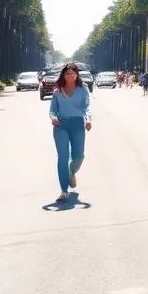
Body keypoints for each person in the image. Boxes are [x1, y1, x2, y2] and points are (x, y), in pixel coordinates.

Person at [48, 62, 92, 202]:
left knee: (79, 156)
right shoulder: (58, 91)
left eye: (73, 72)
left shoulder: (82, 89)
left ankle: (71, 172)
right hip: (61, 125)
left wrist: (88, 119)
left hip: (78, 124)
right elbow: (52, 109)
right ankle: (64, 190)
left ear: (76, 74)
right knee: (63, 157)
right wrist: (53, 117)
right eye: (67, 73)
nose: (70, 75)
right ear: (64, 75)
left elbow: (87, 106)